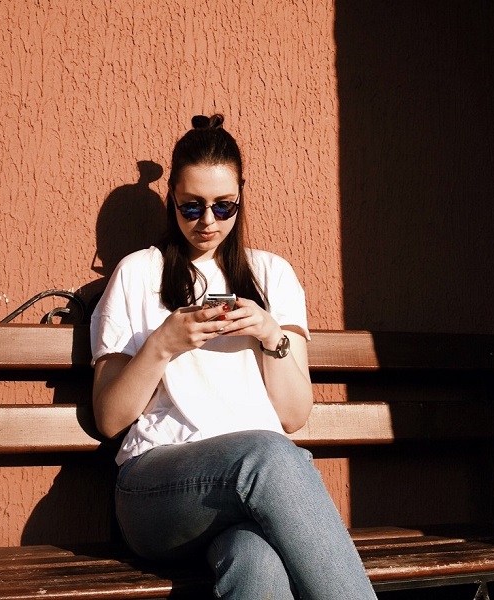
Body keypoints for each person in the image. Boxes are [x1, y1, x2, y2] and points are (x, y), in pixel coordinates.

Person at [90, 114, 377, 599]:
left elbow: (292, 415)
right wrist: (163, 343)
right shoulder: (139, 273)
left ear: (242, 197)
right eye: (191, 207)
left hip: (253, 494)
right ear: (171, 202)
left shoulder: (271, 275)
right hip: (158, 492)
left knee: (256, 561)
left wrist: (272, 334)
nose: (207, 223)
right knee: (269, 458)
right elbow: (110, 418)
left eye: (224, 208)